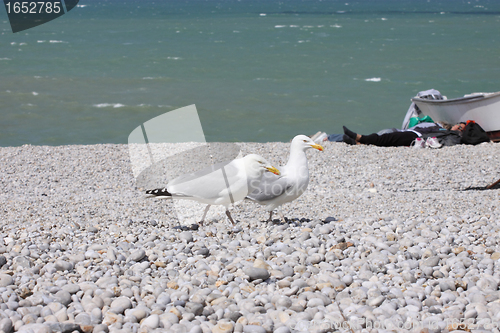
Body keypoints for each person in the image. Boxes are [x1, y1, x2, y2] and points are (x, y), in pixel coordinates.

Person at [341, 122, 466, 147]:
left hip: (415, 137)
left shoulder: (451, 135)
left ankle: (361, 138)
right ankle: (358, 142)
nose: (458, 128)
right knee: (386, 138)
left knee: (387, 138)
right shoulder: (439, 126)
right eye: (459, 125)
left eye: (461, 128)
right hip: (410, 132)